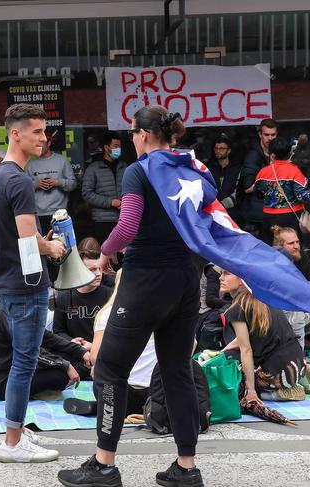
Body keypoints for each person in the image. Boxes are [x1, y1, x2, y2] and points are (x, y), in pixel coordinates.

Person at [58, 106, 204, 487]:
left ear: (140, 134)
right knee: (177, 371)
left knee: (108, 368)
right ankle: (186, 467)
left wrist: (105, 251)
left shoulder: (140, 171)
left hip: (147, 279)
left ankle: (104, 464)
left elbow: (128, 224)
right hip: (187, 278)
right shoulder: (191, 168)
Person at [0, 103, 66, 463]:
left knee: (22, 361)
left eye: (45, 132)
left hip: (6, 280)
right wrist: (55, 247)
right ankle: (13, 442)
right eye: (36, 131)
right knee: (24, 364)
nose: (43, 138)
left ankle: (15, 433)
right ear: (15, 133)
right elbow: (29, 239)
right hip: (24, 283)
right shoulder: (17, 179)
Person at [63, 272, 157, 418]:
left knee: (100, 372)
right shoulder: (159, 311)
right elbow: (191, 344)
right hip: (155, 394)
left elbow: (95, 357)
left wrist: (95, 354)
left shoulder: (107, 313)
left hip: (118, 394)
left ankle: (104, 408)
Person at [219, 268, 307, 402]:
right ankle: (297, 379)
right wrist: (220, 352)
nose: (221, 278)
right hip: (298, 362)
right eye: (221, 274)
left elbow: (246, 350)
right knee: (226, 355)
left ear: (242, 281)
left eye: (226, 273)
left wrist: (251, 391)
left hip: (278, 374)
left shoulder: (238, 309)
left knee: (230, 373)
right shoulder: (263, 298)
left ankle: (275, 394)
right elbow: (244, 339)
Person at [0, 311, 89, 401]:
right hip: (0, 383)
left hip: (17, 371)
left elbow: (48, 338)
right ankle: (37, 393)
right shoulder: (11, 313)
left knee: (68, 358)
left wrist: (81, 351)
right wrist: (65, 365)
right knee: (60, 376)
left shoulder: (24, 310)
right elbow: (29, 351)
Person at [52, 243, 112, 379]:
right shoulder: (64, 297)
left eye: (99, 269)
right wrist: (71, 342)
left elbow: (118, 333)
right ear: (79, 271)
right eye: (91, 270)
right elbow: (58, 331)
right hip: (75, 359)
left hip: (103, 359)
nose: (98, 274)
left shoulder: (111, 296)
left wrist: (94, 346)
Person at [255, 136, 310, 245]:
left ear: (272, 155)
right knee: (292, 250)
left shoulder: (262, 173)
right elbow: (304, 197)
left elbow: (259, 194)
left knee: (272, 250)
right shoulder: (294, 171)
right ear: (289, 153)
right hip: (290, 218)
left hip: (268, 218)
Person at [26, 131, 78, 236]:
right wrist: (36, 184)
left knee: (62, 248)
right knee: (42, 249)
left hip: (60, 214)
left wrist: (58, 182)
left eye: (41, 144)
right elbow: (23, 189)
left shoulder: (62, 160)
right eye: (36, 145)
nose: (39, 147)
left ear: (49, 143)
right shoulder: (30, 164)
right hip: (38, 214)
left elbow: (73, 184)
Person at [81, 131, 127, 245]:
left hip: (124, 219)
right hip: (103, 221)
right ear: (106, 147)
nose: (118, 149)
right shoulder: (93, 168)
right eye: (115, 146)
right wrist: (111, 202)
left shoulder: (124, 167)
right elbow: (87, 194)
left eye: (120, 147)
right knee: (106, 257)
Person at [241, 118, 278, 236]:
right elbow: (247, 187)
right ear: (260, 134)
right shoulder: (253, 156)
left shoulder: (275, 152)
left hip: (271, 212)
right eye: (266, 134)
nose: (270, 138)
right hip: (255, 215)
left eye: (273, 135)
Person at [207, 136, 242, 225]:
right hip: (213, 213)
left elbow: (238, 192)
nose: (218, 151)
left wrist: (221, 205)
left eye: (222, 148)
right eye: (216, 148)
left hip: (233, 214)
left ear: (229, 150)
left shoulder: (237, 169)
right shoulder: (209, 168)